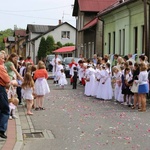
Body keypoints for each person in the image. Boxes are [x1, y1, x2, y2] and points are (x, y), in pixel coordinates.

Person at [0, 52, 11, 139]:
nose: (4, 60)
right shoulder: (1, 67)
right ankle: (1, 129)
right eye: (3, 58)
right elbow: (7, 80)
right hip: (1, 89)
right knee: (5, 109)